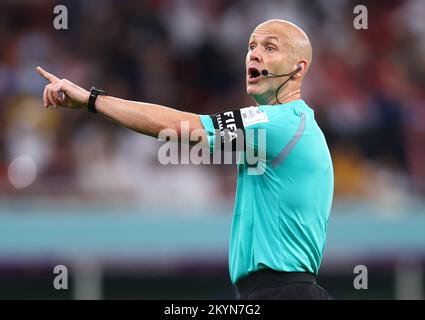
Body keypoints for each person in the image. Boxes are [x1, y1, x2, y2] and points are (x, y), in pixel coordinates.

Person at [36, 19, 334, 300]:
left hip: (281, 292)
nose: (254, 55)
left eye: (270, 47)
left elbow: (185, 128)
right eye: (251, 46)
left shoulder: (278, 123)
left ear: (298, 68)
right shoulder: (289, 126)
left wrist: (92, 100)